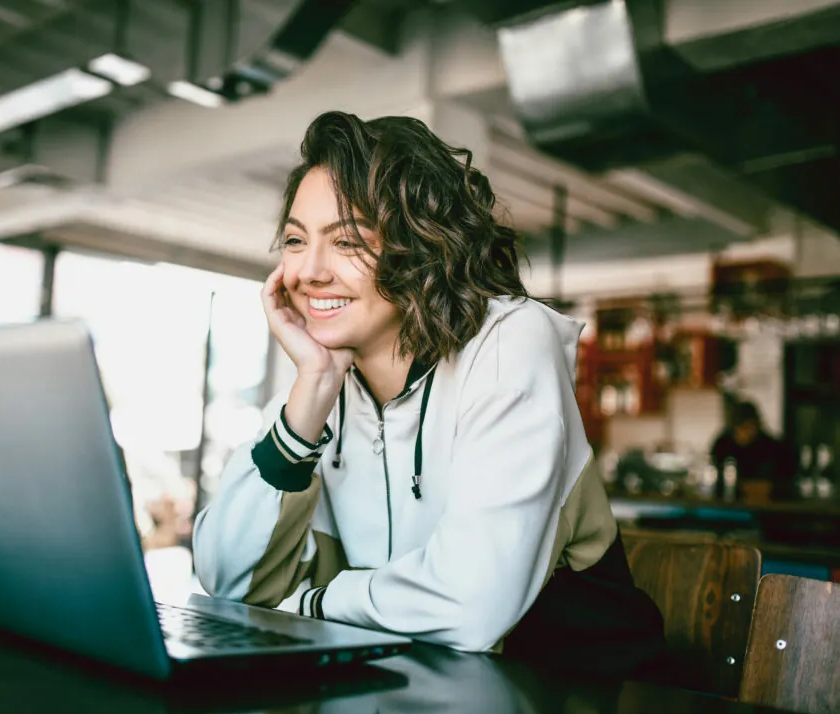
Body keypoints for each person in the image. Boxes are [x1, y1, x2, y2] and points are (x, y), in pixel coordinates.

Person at [192, 111, 664, 677]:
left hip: (572, 690)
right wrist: (312, 389)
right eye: (296, 240)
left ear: (420, 248)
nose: (308, 271)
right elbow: (227, 582)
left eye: (347, 241)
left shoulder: (510, 342)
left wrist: (313, 604)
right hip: (406, 683)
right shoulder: (328, 379)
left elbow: (472, 605)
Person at [711, 400, 797, 501]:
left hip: (765, 504)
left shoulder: (771, 446)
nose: (748, 432)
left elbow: (786, 479)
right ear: (735, 427)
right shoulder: (723, 445)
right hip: (729, 503)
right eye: (743, 427)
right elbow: (714, 477)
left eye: (752, 427)